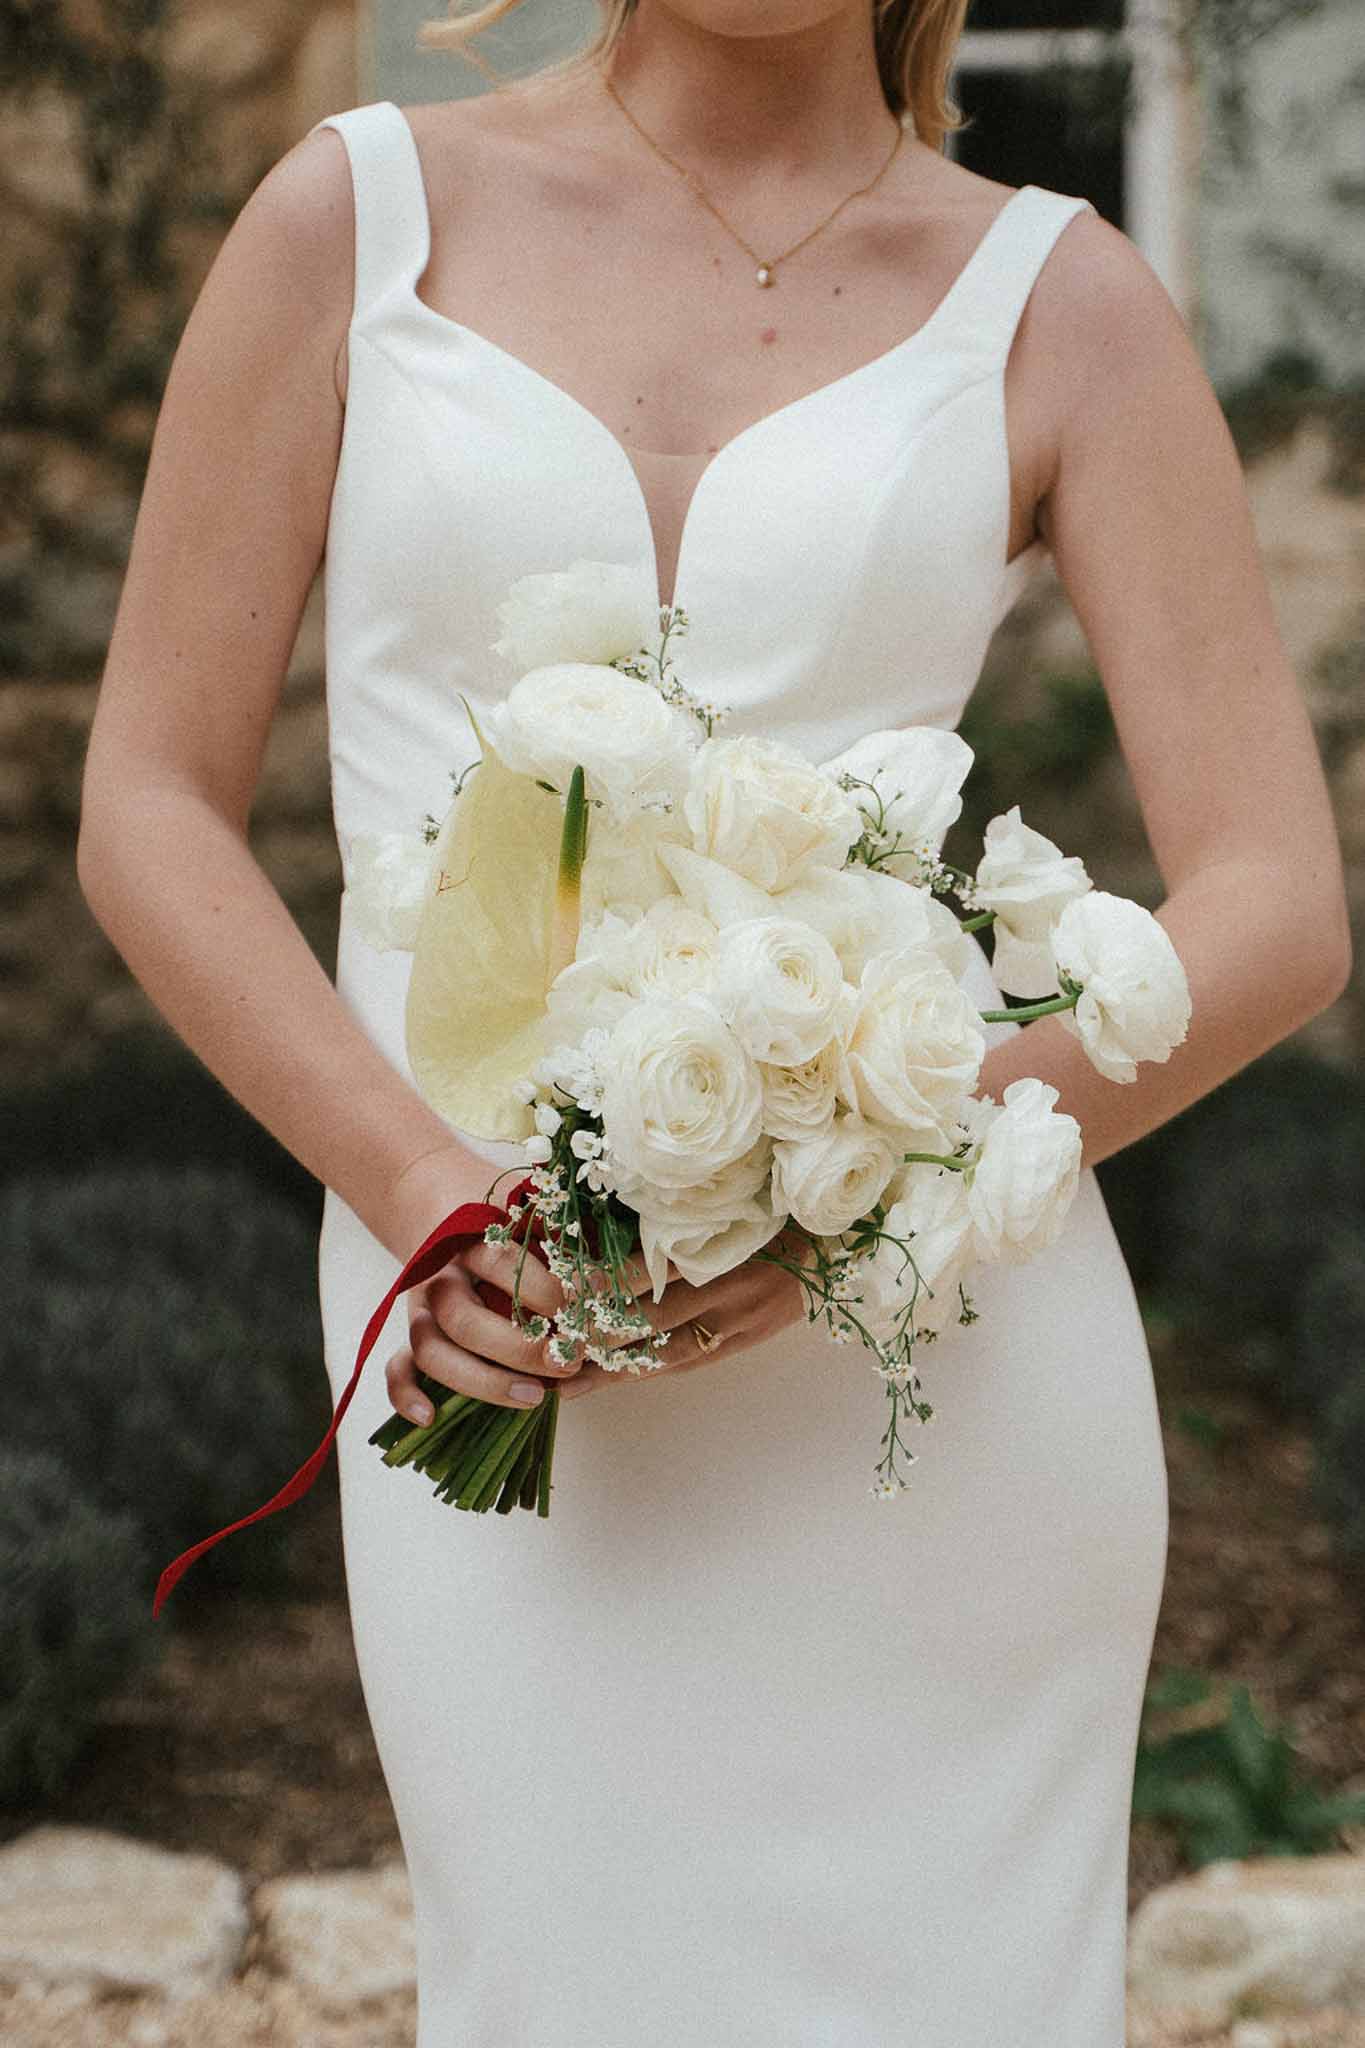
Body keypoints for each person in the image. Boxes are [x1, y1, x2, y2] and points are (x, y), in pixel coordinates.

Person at [78, 0, 1351, 2041]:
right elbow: (144, 801)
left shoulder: (1057, 295)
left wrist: (882, 1180)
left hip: (938, 1375)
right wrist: (422, 1192)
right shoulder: (355, 224)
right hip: (484, 1319)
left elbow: (1275, 905)